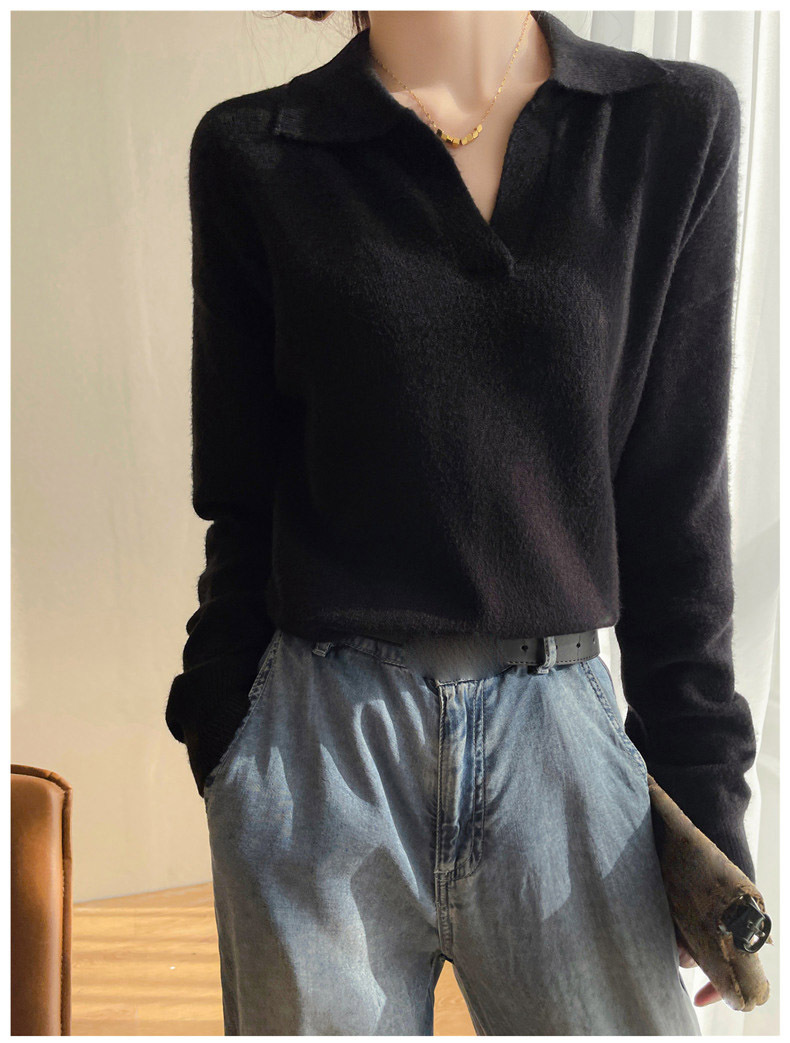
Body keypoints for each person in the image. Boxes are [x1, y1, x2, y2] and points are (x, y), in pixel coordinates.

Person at [165, 9, 757, 1034]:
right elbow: (241, 492)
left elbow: (675, 492)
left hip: (560, 743)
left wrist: (705, 794)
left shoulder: (667, 126)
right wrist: (229, 737)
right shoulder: (256, 151)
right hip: (319, 747)